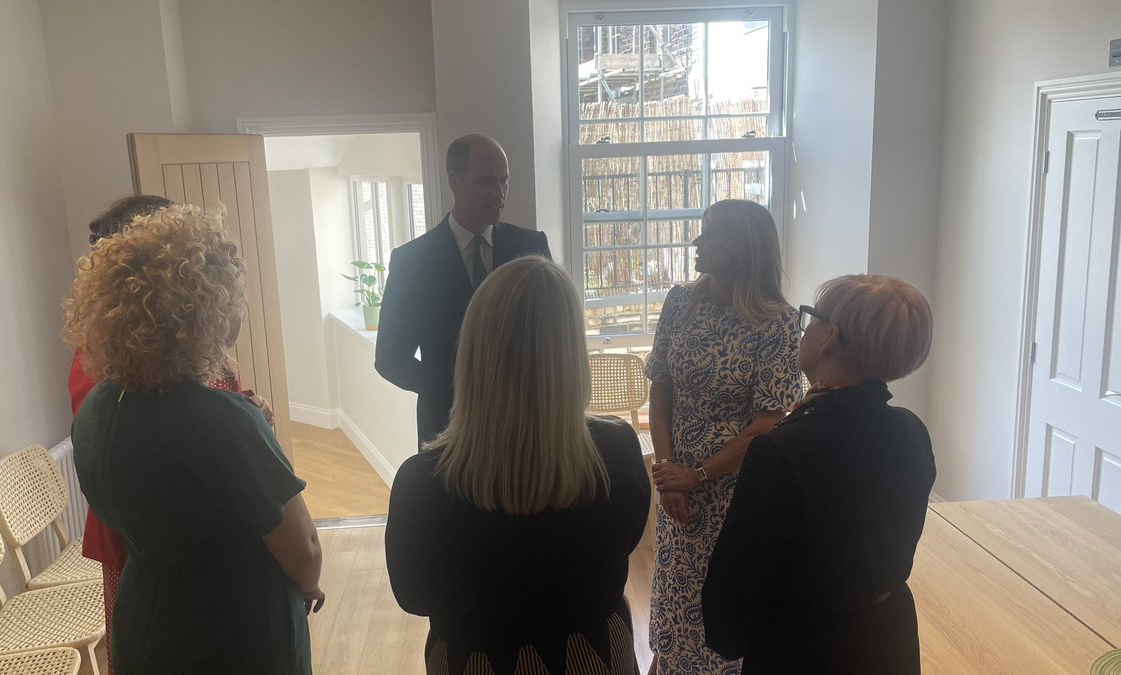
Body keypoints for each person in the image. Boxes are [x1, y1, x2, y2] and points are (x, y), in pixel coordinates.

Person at [64, 204, 322, 674]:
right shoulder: (222, 419)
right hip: (234, 630)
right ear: (208, 311)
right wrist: (308, 587)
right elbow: (303, 549)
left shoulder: (97, 409)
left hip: (146, 618)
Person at [385, 256, 651, 675]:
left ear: (473, 351)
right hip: (595, 655)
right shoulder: (617, 449)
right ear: (571, 353)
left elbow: (413, 596)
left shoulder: (422, 481)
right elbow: (628, 538)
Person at [701, 274, 936, 675]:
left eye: (810, 317)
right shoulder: (911, 430)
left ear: (831, 336)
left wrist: (728, 639)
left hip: (804, 649)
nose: (804, 328)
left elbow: (734, 591)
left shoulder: (783, 450)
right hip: (888, 640)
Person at [645, 199, 801, 674]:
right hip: (677, 481)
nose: (697, 242)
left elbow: (769, 422)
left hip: (736, 487)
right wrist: (672, 476)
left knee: (724, 606)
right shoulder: (680, 302)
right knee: (675, 596)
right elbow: (661, 390)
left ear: (741, 248)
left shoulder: (778, 322)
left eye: (710, 234)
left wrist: (697, 475)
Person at [375, 133, 552, 448]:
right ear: (454, 181)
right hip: (447, 426)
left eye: (504, 180)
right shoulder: (412, 261)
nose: (499, 192)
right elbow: (389, 359)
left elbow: (550, 334)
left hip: (526, 424)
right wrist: (460, 389)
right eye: (486, 181)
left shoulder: (531, 246)